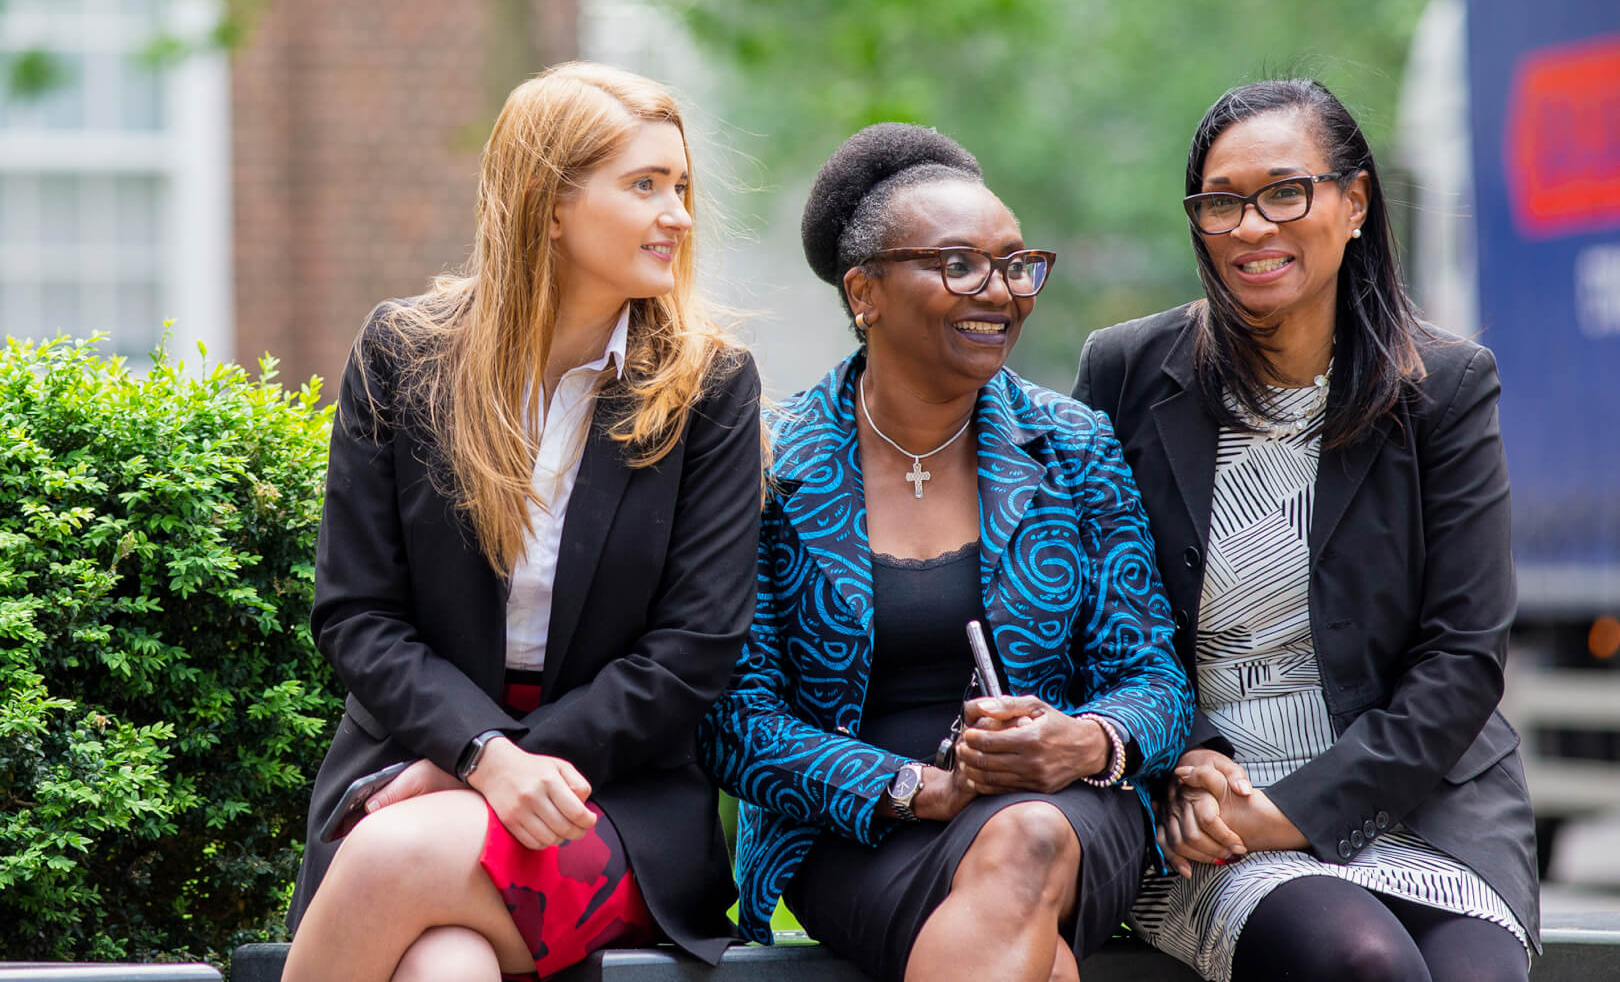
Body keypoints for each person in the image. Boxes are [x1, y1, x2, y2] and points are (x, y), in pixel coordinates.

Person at [282, 62, 762, 982]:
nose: (680, 215)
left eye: (682, 186)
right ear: (548, 203)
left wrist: (500, 763)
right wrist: (473, 751)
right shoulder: (404, 356)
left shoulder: (708, 387)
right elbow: (358, 615)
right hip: (414, 761)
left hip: (609, 797)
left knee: (393, 863)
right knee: (444, 966)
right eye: (645, 186)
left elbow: (694, 649)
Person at [699, 122, 1193, 982]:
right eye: (959, 264)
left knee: (1030, 837)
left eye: (1015, 264)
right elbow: (736, 722)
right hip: (854, 832)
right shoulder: (774, 465)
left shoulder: (1073, 445)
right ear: (866, 292)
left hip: (1069, 808)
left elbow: (1155, 679)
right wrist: (918, 789)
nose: (999, 291)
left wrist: (1078, 742)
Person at [1073, 79, 1538, 982]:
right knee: (1362, 962)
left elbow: (1464, 657)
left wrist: (1289, 813)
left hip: (1420, 801)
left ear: (1354, 201)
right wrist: (1197, 769)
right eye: (1221, 203)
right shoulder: (1128, 372)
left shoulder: (1443, 387)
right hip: (1204, 804)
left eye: (1285, 192)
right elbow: (1096, 617)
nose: (1250, 227)